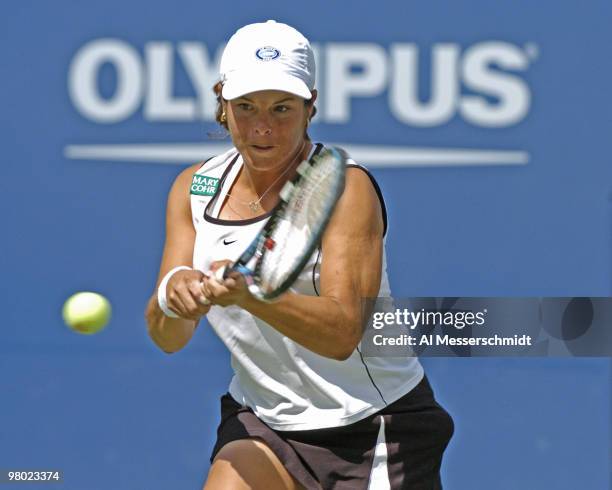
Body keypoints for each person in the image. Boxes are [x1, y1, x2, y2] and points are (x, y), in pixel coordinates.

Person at [145, 20, 453, 490]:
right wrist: (174, 297)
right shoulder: (193, 188)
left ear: (311, 107)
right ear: (222, 105)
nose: (263, 126)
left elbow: (342, 332)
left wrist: (254, 298)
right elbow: (168, 336)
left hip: (371, 429)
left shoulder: (348, 189)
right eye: (245, 107)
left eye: (282, 108)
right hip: (263, 424)